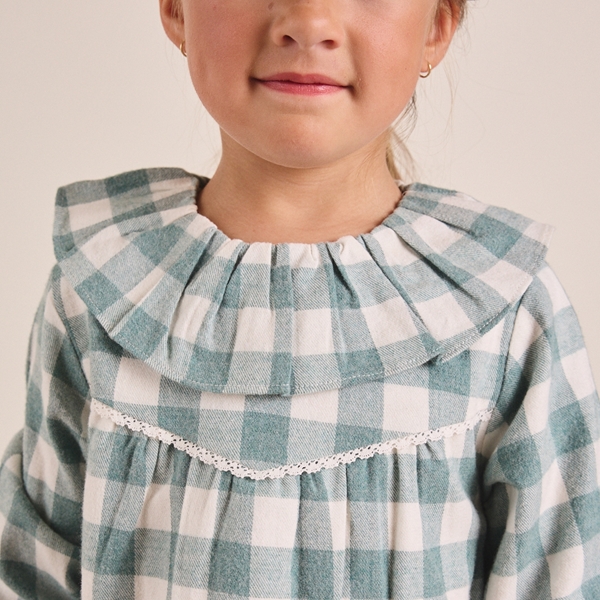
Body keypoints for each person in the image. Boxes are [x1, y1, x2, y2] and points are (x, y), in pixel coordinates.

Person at [1, 0, 598, 597]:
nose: (309, 22)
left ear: (436, 28)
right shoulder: (105, 293)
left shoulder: (505, 312)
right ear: (176, 9)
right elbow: (33, 572)